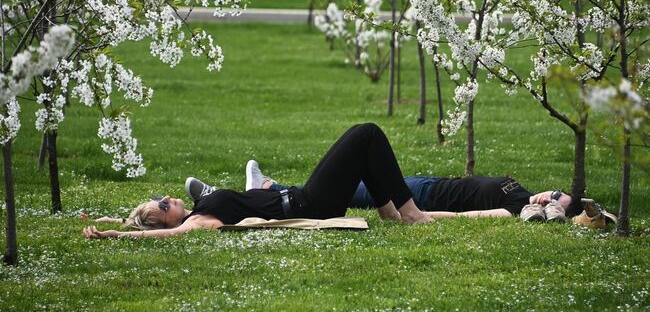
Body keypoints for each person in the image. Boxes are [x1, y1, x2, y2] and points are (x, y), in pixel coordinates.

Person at [83, 123, 433, 239]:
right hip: (308, 204)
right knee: (366, 135)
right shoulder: (200, 221)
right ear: (166, 219)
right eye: (162, 205)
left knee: (362, 146)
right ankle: (411, 214)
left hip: (300, 197)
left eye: (160, 197)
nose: (168, 198)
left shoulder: (199, 209)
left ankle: (391, 212)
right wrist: (120, 235)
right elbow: (169, 235)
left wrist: (115, 220)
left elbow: (154, 226)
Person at [186, 163, 582, 223]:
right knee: (350, 186)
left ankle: (267, 191)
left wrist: (545, 213)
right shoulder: (525, 190)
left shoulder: (516, 208)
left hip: (423, 199)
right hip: (427, 183)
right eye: (556, 193)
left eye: (554, 203)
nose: (548, 197)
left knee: (349, 192)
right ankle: (265, 191)